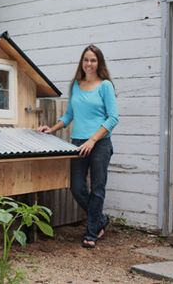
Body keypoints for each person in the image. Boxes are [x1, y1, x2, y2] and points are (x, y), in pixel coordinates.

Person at [38, 44, 119, 248]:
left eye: (93, 60)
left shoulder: (105, 85)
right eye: (86, 59)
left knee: (97, 189)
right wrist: (53, 129)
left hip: (99, 143)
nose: (89, 63)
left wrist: (92, 139)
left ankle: (91, 233)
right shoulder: (75, 85)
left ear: (98, 62)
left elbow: (113, 118)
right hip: (77, 143)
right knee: (76, 187)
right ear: (81, 62)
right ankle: (100, 220)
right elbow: (69, 115)